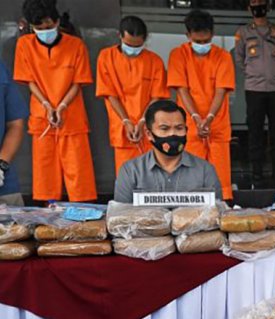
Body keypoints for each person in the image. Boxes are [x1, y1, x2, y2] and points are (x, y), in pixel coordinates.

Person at [14, 0, 96, 202]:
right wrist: (46, 105)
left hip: (72, 113)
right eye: (39, 29)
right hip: (42, 116)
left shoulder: (76, 45)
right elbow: (30, 80)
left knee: (78, 171)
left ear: (58, 22)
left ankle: (82, 213)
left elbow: (78, 82)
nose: (45, 31)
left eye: (49, 27)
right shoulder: (24, 45)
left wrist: (61, 106)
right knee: (45, 171)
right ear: (31, 27)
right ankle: (47, 216)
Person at [168, 9, 235, 200]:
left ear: (212, 34)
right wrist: (197, 119)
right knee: (191, 171)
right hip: (189, 123)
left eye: (206, 41)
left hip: (217, 122)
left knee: (220, 172)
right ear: (188, 35)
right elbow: (182, 89)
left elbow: (221, 90)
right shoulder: (178, 55)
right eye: (198, 42)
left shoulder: (223, 56)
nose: (202, 45)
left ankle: (223, 206)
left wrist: (209, 118)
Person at [96, 16, 169, 175]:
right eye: (129, 45)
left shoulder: (154, 61)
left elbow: (157, 95)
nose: (133, 50)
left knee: (153, 174)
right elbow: (109, 94)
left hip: (149, 126)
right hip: (122, 127)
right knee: (126, 176)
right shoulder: (106, 57)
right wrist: (126, 121)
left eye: (138, 46)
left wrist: (143, 121)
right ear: (120, 36)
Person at [114, 100, 222, 203]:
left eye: (179, 128)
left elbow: (216, 214)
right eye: (164, 129)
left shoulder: (205, 171)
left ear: (186, 130)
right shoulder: (131, 171)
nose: (172, 134)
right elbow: (121, 216)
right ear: (149, 134)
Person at [234, 0, 275, 183]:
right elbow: (239, 59)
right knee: (255, 131)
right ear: (248, 7)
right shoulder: (243, 33)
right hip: (254, 89)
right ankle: (256, 171)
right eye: (254, 3)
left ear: (268, 6)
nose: (258, 6)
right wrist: (254, 74)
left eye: (261, 2)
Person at [0, 61, 28, 206]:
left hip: (5, 190)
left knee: (15, 229)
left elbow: (15, 124)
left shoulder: (1, 70)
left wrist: (1, 165)